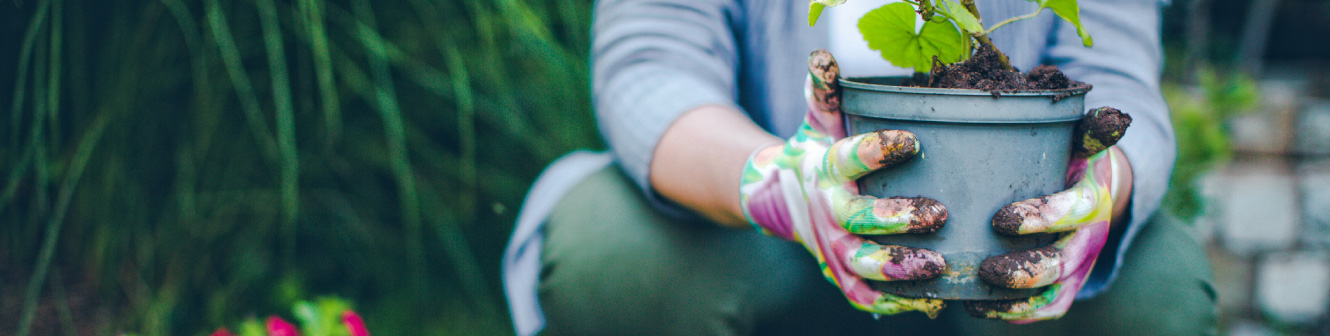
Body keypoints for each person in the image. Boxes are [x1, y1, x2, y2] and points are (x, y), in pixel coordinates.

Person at [502, 0, 1217, 334]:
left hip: (1002, 244)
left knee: (1156, 286)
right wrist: (780, 183)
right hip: (760, 245)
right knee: (608, 245)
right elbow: (650, 69)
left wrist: (1101, 190)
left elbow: (1121, 81)